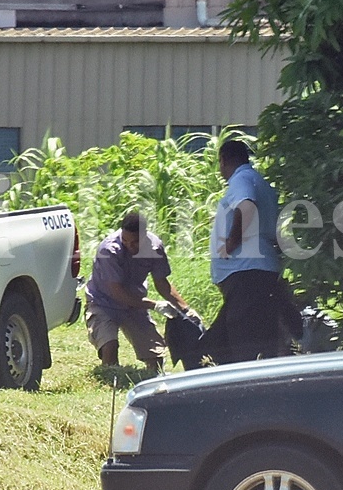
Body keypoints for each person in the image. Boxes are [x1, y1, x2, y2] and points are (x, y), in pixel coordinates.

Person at [203, 139, 300, 364]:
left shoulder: (242, 179)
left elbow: (246, 205)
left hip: (247, 274)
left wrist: (231, 242)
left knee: (245, 342)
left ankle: (247, 386)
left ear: (224, 160)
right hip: (254, 273)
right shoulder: (259, 181)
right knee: (228, 339)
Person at [85, 211, 195, 373]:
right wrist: (154, 305)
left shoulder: (154, 248)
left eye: (135, 242)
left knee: (156, 358)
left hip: (134, 305)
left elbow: (162, 283)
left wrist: (186, 309)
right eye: (125, 240)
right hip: (103, 303)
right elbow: (117, 293)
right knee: (110, 348)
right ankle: (111, 379)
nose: (130, 246)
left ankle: (150, 380)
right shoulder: (108, 251)